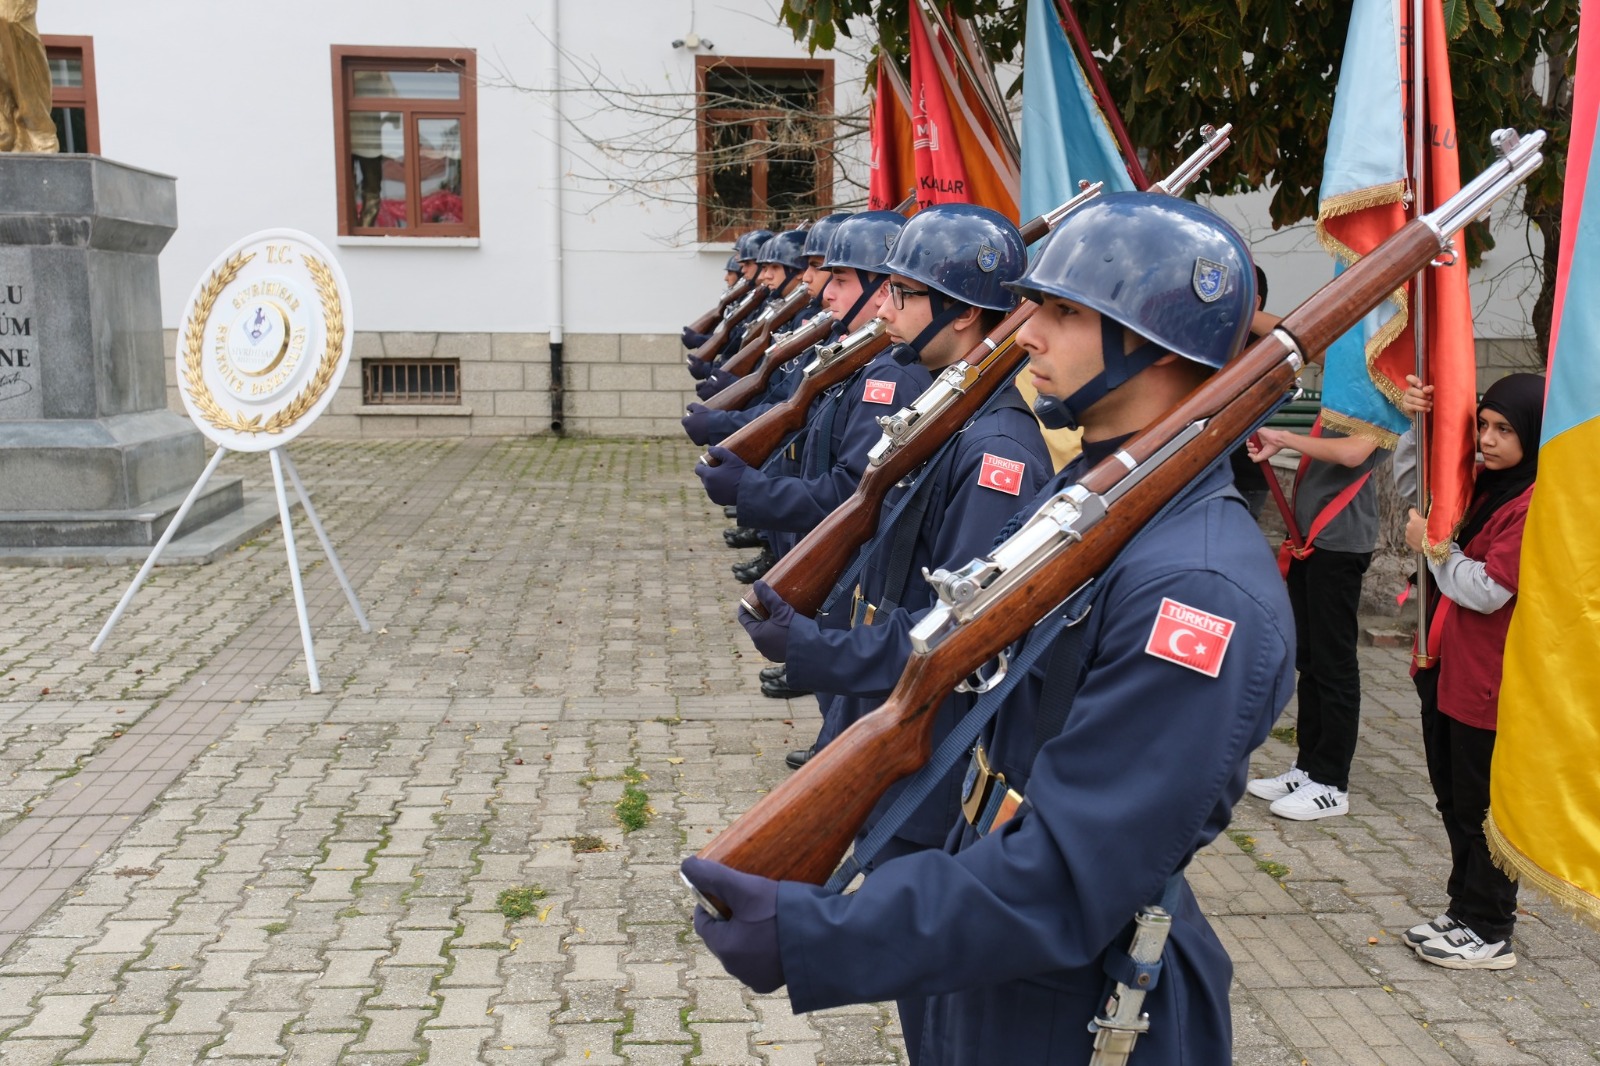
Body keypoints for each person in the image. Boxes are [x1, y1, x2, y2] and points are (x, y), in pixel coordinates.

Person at [683, 192, 1296, 1064]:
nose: (1027, 333)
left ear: (1154, 343)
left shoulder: (1195, 589)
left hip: (1074, 998)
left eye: (1063, 311)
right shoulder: (1096, 498)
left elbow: (1070, 875)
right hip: (989, 929)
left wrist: (821, 933)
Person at [1396, 371, 1543, 970]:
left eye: (1505, 429)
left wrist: (1435, 550)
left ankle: (1491, 926)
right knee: (1452, 800)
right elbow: (1421, 490)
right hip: (1445, 666)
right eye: (1482, 424)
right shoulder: (1486, 482)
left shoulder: (1534, 502)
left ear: (1533, 434)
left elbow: (1487, 590)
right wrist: (1418, 424)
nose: (1487, 438)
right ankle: (1463, 908)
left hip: (1487, 681)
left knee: (1483, 807)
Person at [1244, 396, 1390, 820]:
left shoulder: (1375, 398)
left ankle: (1331, 783)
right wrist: (1283, 446)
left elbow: (1351, 453)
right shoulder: (1343, 394)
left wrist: (1284, 436)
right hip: (1312, 538)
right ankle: (1309, 767)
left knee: (1335, 663)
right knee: (1310, 659)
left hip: (1339, 542)